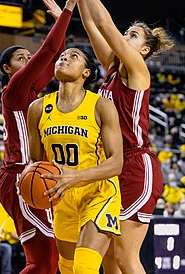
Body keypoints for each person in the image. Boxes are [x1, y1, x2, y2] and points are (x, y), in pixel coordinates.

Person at [63, 0, 175, 274]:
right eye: (127, 33)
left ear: (143, 49)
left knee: (126, 258)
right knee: (110, 260)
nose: (125, 37)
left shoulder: (137, 69)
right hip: (112, 165)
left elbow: (105, 22)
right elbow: (91, 24)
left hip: (136, 166)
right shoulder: (112, 69)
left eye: (133, 36)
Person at [0, 0, 81, 274]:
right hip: (21, 176)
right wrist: (70, 6)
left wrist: (61, 20)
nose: (28, 59)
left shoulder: (32, 92)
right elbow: (47, 51)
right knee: (42, 263)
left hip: (29, 174)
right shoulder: (16, 88)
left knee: (50, 260)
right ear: (9, 69)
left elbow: (56, 58)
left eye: (27, 56)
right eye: (21, 58)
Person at [26, 46, 123, 274]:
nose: (64, 58)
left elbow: (116, 162)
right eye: (62, 56)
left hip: (98, 192)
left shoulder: (101, 106)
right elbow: (36, 162)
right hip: (63, 196)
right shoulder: (38, 108)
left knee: (83, 268)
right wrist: (29, 181)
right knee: (67, 269)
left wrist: (75, 176)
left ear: (86, 73)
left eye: (73, 56)